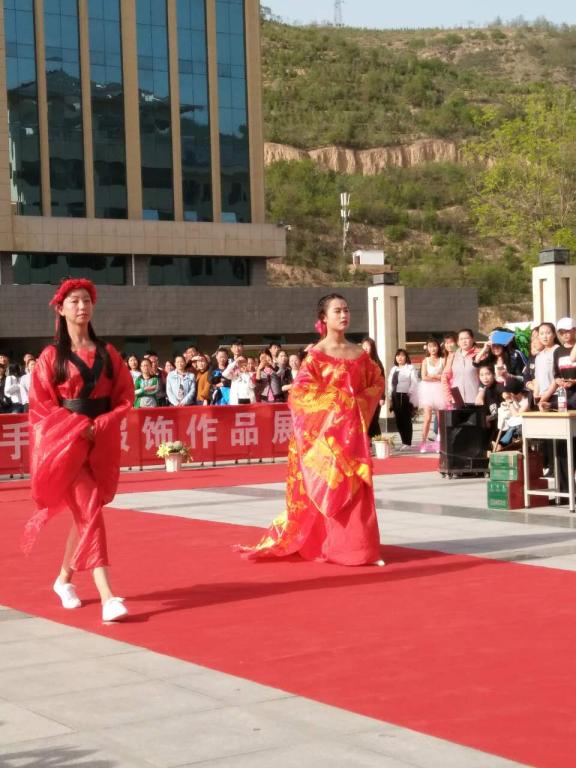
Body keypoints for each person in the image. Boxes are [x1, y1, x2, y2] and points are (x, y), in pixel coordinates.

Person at [237, 293, 384, 566]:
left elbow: (376, 383)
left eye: (346, 310)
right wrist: (339, 403)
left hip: (351, 435)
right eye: (337, 311)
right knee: (328, 489)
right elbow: (300, 395)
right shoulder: (315, 356)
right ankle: (328, 546)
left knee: (355, 491)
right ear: (323, 318)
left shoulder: (360, 355)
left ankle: (361, 549)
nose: (344, 315)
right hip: (324, 439)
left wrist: (355, 405)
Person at [25, 278, 134, 622]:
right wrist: (76, 426)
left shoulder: (108, 353)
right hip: (67, 446)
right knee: (89, 511)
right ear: (60, 309)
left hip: (100, 443)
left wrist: (103, 423)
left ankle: (63, 579)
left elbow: (124, 396)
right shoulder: (51, 357)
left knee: (87, 513)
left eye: (86, 300)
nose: (82, 306)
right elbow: (42, 405)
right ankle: (108, 596)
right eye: (74, 301)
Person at [388, 349, 419, 450]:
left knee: (406, 419)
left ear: (406, 357)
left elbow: (414, 381)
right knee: (398, 420)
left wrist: (409, 393)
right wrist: (390, 396)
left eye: (402, 356)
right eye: (398, 356)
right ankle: (403, 441)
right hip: (395, 395)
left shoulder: (410, 368)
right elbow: (390, 383)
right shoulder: (394, 369)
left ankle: (407, 442)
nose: (400, 358)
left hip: (404, 395)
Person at [418, 338, 444, 452]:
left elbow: (444, 376)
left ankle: (439, 443)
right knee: (427, 418)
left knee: (440, 418)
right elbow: (424, 377)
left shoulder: (443, 360)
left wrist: (432, 376)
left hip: (440, 390)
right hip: (427, 390)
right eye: (430, 346)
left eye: (434, 346)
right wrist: (437, 377)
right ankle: (423, 443)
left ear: (438, 347)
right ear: (427, 348)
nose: (432, 349)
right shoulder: (425, 361)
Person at [442, 328, 480, 407]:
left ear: (472, 339)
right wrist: (449, 396)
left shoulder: (479, 354)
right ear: (458, 342)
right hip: (457, 399)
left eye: (466, 338)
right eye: (461, 339)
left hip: (476, 399)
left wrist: (482, 395)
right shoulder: (453, 355)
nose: (464, 341)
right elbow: (445, 377)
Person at [361, 337, 386, 440]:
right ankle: (368, 443)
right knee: (365, 420)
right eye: (364, 346)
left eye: (368, 346)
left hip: (375, 396)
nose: (365, 348)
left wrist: (382, 397)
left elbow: (382, 381)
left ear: (373, 348)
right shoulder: (360, 362)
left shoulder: (377, 363)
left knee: (374, 420)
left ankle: (378, 442)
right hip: (363, 396)